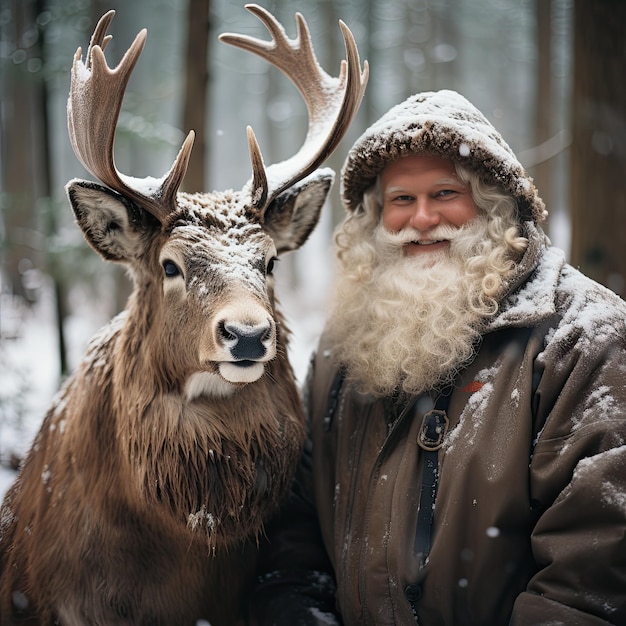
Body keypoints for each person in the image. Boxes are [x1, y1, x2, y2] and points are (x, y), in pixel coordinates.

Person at [247, 90, 626, 625]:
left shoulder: (583, 339)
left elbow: (593, 573)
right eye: (400, 199)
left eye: (446, 192)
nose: (421, 219)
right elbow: (296, 529)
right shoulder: (343, 345)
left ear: (495, 203)